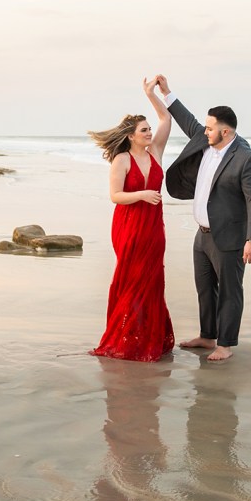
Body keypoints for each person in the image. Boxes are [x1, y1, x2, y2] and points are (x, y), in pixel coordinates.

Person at [155, 74, 251, 361]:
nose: (204, 131)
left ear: (225, 132)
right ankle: (207, 336)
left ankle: (225, 345)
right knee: (205, 288)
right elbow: (187, 120)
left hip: (229, 237)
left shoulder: (246, 158)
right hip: (202, 234)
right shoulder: (206, 140)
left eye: (210, 128)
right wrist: (167, 93)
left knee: (230, 291)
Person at [87, 77, 175, 362]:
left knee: (152, 281)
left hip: (154, 227)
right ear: (131, 136)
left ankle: (148, 337)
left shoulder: (156, 152)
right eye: (144, 130)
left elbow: (166, 118)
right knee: (132, 280)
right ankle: (125, 338)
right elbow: (115, 196)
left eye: (149, 129)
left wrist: (152, 93)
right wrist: (142, 195)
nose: (149, 133)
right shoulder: (122, 160)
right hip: (129, 227)